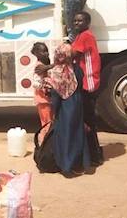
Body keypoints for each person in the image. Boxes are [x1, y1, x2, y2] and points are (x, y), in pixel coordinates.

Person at [48, 43, 90, 175]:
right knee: (77, 133)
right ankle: (80, 164)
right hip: (77, 103)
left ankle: (66, 165)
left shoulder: (56, 72)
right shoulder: (77, 69)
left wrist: (55, 109)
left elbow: (56, 95)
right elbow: (81, 86)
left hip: (65, 107)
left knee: (65, 134)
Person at [71, 12, 104, 166]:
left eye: (80, 21)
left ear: (88, 22)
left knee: (88, 121)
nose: (77, 23)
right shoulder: (82, 36)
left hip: (88, 84)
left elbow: (71, 55)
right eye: (75, 21)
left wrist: (50, 66)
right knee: (86, 120)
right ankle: (91, 152)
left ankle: (95, 155)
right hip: (85, 83)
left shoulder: (85, 36)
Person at [31, 42, 52, 145]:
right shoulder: (39, 67)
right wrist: (46, 87)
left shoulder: (44, 65)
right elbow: (35, 82)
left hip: (46, 100)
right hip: (43, 100)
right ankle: (44, 145)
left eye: (47, 51)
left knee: (49, 123)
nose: (46, 53)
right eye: (43, 51)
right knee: (46, 124)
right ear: (36, 53)